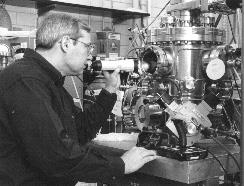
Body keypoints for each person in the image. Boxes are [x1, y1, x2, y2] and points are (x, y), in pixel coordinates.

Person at [0, 13, 158, 185]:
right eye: (87, 47)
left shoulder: (48, 81)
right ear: (66, 43)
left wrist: (110, 90)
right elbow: (56, 156)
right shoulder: (26, 80)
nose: (90, 54)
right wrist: (120, 165)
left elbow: (80, 131)